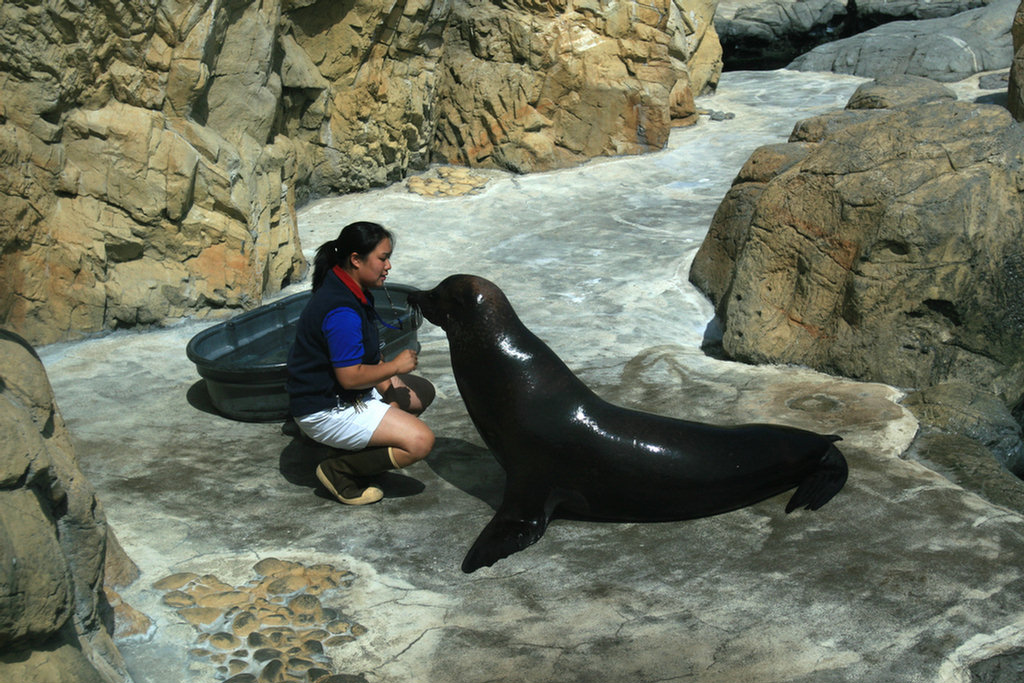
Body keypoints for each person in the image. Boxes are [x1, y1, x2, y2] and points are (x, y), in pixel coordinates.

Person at [286, 221, 435, 506]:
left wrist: (391, 396)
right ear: (356, 259)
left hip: (347, 395)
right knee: (420, 441)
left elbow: (368, 357)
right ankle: (339, 469)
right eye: (382, 258)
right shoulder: (341, 310)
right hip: (326, 408)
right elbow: (350, 378)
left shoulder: (350, 289)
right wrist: (394, 368)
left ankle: (361, 449)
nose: (388, 265)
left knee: (420, 394)